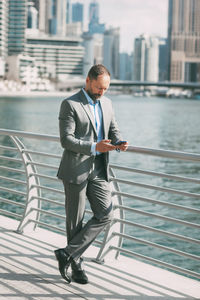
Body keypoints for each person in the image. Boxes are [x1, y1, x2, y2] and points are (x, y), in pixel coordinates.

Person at [55, 64, 128, 284]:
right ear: (88, 81)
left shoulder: (107, 103)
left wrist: (119, 142)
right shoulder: (69, 104)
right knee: (74, 223)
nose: (101, 92)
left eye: (105, 88)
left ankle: (67, 254)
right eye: (98, 87)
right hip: (75, 169)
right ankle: (76, 266)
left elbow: (113, 130)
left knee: (106, 214)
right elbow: (66, 140)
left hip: (98, 170)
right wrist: (95, 147)